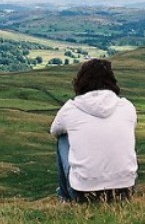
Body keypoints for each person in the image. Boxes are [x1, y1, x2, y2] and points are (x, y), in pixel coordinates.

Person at [50, 58, 137, 202]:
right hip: (125, 190)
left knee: (62, 139)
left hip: (82, 193)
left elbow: (54, 131)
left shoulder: (71, 108)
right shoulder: (127, 106)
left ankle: (65, 198)